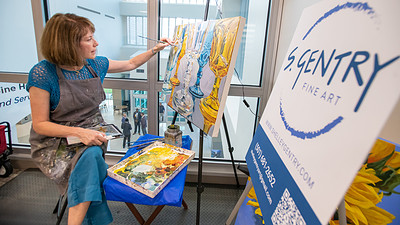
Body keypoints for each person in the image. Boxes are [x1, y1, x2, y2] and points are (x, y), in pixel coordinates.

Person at [26, 13, 172, 225]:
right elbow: (40, 125)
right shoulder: (42, 73)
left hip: (91, 132)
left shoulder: (94, 64)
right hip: (54, 142)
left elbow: (131, 63)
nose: (96, 43)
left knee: (91, 156)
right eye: (88, 39)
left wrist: (156, 49)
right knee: (92, 158)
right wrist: (79, 133)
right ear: (67, 44)